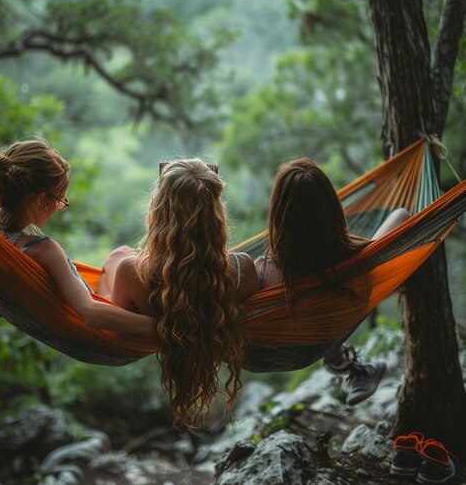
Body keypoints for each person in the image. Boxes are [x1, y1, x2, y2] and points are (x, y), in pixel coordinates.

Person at [104, 158, 260, 428]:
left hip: (137, 283)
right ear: (216, 213)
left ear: (159, 210)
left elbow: (111, 315)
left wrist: (116, 264)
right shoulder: (242, 268)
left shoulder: (131, 273)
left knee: (119, 255)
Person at [255, 157, 410, 406]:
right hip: (333, 325)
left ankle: (354, 367)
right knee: (400, 218)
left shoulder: (261, 273)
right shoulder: (359, 261)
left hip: (287, 350)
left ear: (277, 214)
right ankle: (354, 367)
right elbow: (402, 215)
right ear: (332, 208)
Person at [0, 139, 154, 337]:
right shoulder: (44, 249)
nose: (59, 207)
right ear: (41, 200)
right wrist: (164, 329)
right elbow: (91, 314)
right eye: (60, 200)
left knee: (120, 253)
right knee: (128, 265)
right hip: (108, 323)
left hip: (93, 299)